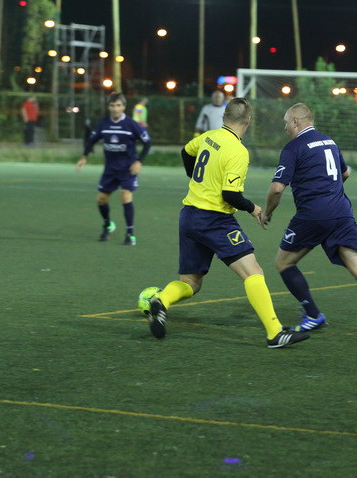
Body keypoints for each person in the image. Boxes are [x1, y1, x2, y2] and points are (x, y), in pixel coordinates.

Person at [147, 97, 310, 348]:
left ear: (224, 117)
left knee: (190, 281)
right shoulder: (237, 151)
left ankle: (162, 301)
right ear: (249, 120)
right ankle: (275, 333)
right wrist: (254, 208)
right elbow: (230, 195)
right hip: (215, 220)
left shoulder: (208, 137)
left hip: (189, 216)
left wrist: (194, 177)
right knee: (253, 273)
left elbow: (186, 152)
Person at [261, 102, 357, 341]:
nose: (285, 128)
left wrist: (267, 212)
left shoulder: (294, 147)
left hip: (313, 214)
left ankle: (313, 315)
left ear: (297, 121)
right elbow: (345, 173)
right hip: (342, 212)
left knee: (283, 263)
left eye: (286, 123)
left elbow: (277, 188)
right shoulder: (329, 141)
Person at [76, 92, 151, 246]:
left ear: (124, 107)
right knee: (101, 200)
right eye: (112, 105)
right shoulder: (104, 124)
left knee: (125, 195)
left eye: (118, 105)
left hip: (127, 169)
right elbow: (91, 140)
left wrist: (138, 161)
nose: (115, 109)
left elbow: (147, 143)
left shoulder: (131, 124)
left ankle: (130, 234)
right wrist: (84, 156)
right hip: (110, 170)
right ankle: (108, 225)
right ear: (108, 107)